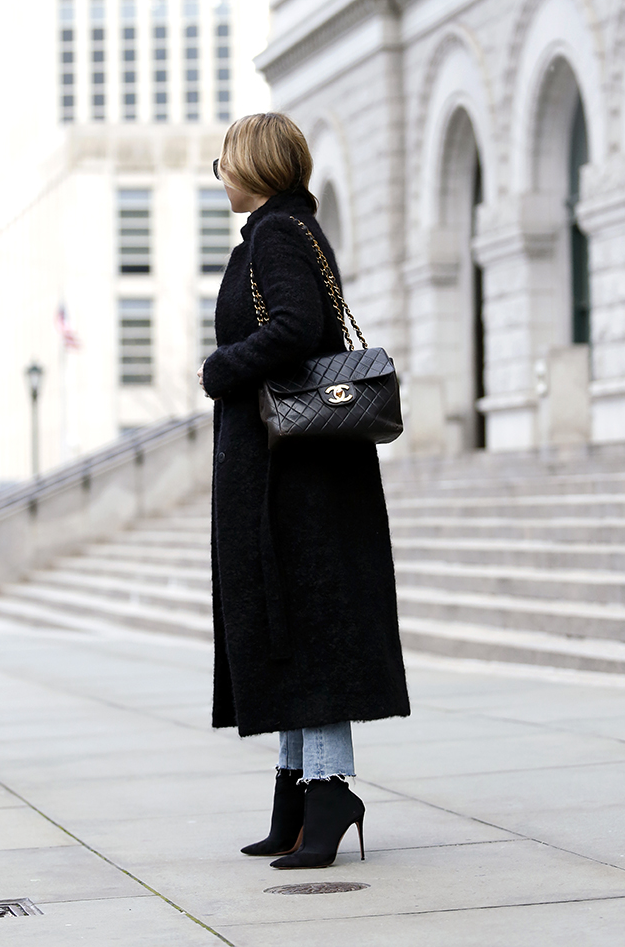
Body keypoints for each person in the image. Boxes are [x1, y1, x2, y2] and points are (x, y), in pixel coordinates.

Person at [198, 112, 410, 870]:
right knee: (291, 629)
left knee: (310, 630)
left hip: (299, 480)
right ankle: (295, 794)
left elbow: (295, 326)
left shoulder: (278, 236)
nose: (216, 173)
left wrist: (220, 369)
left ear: (251, 164)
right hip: (292, 476)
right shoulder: (281, 231)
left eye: (222, 160)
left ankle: (328, 793)